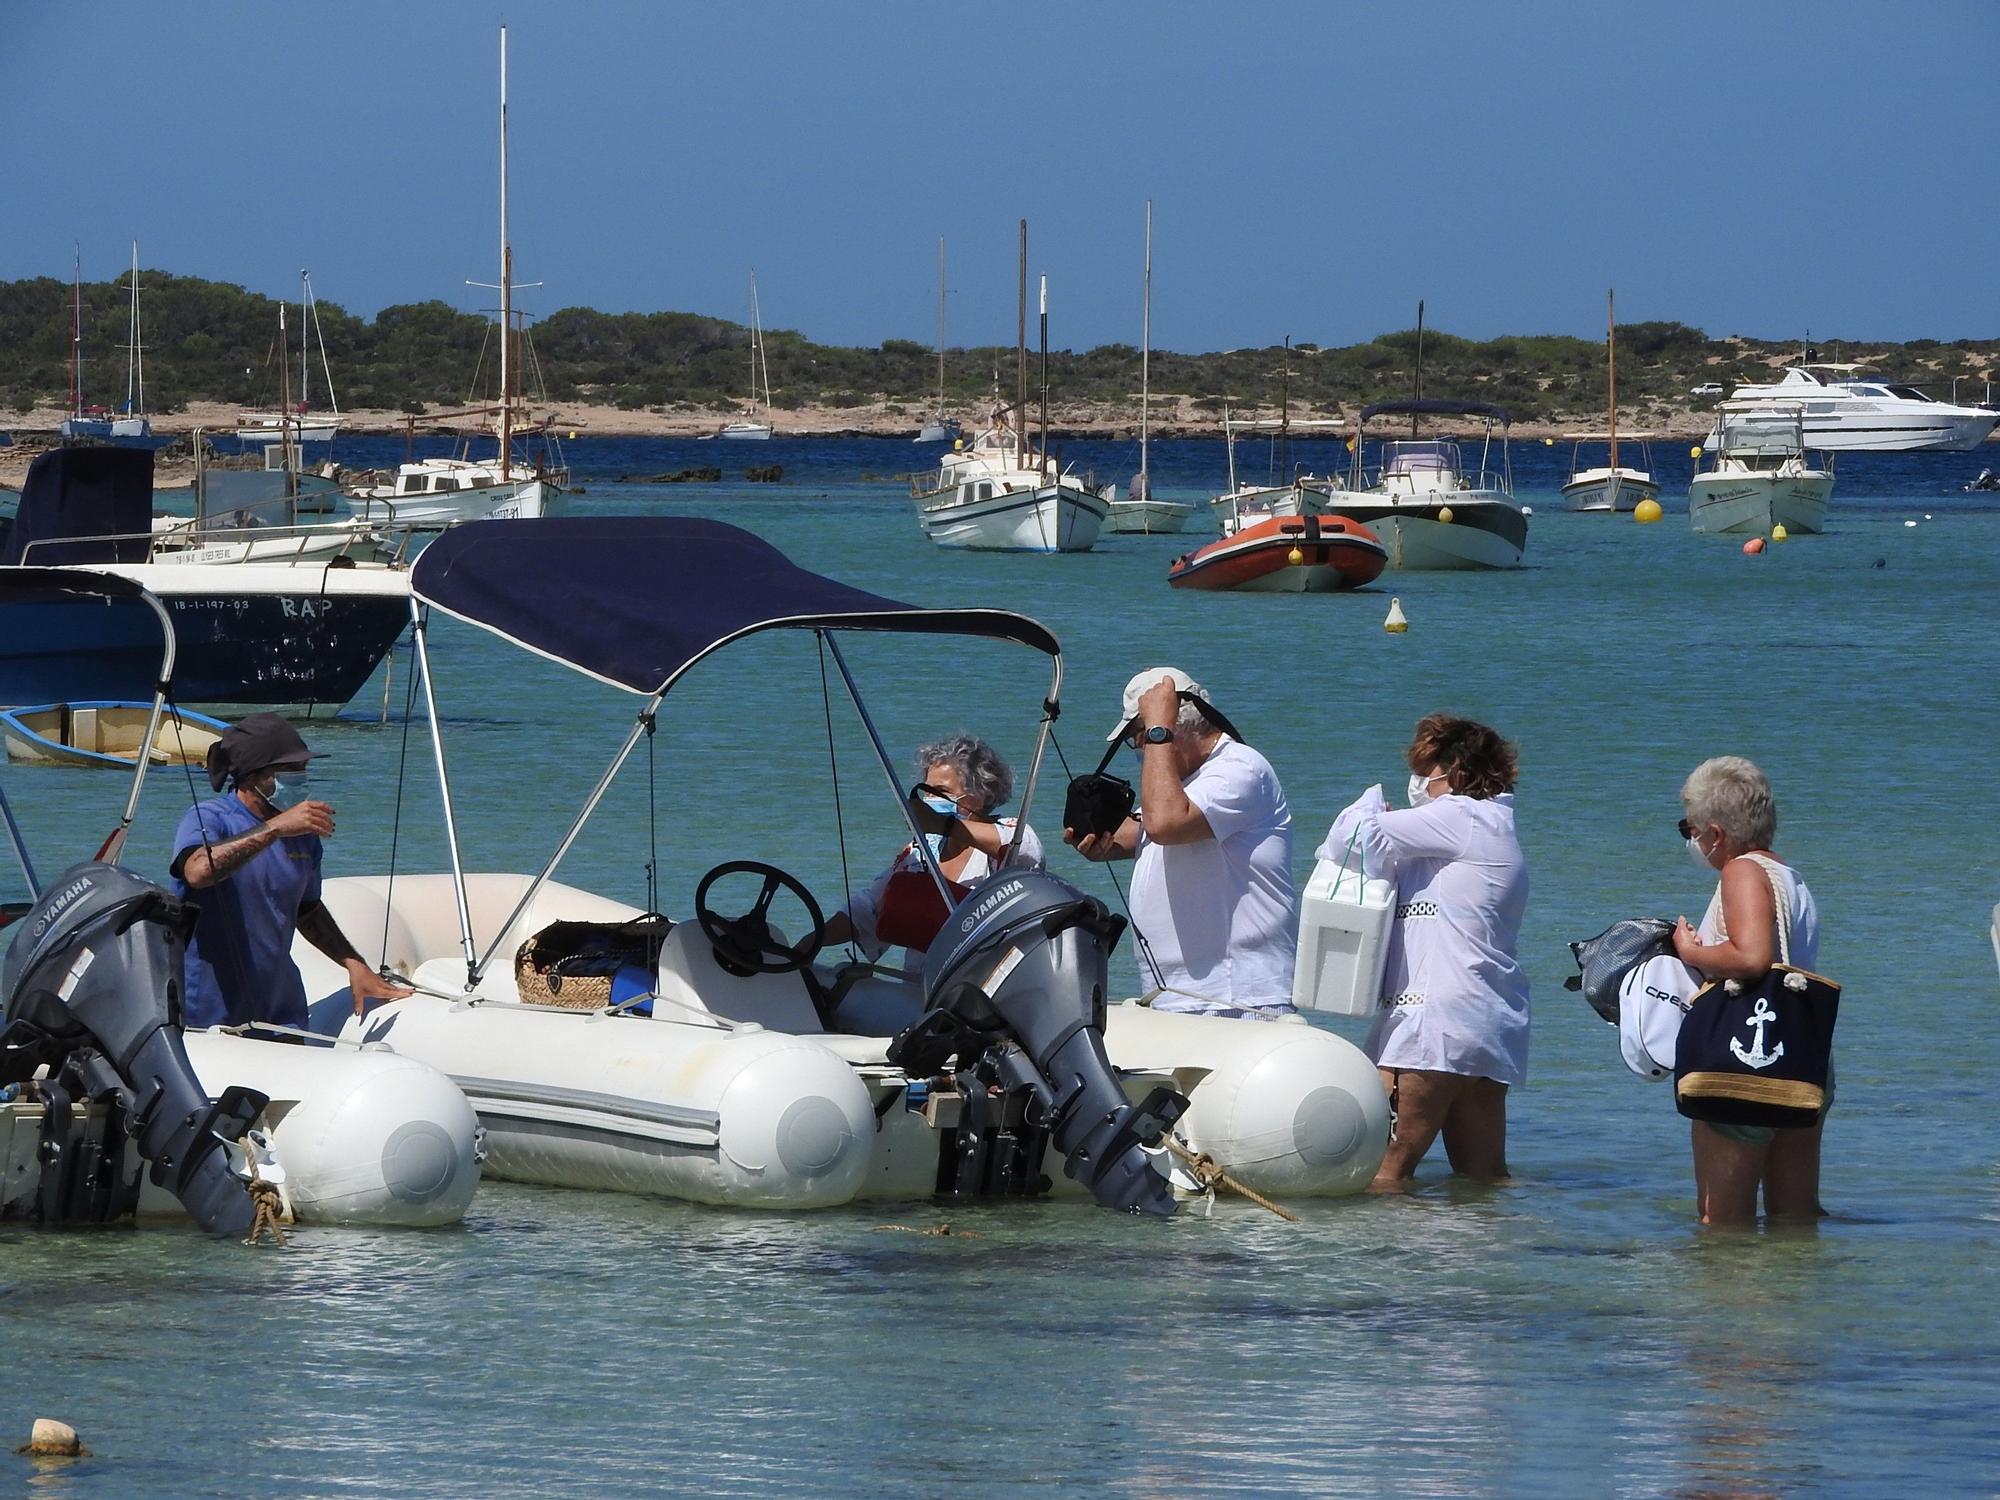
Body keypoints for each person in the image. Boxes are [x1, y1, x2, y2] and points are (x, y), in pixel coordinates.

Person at [1320, 713, 1528, 1185]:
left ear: (1452, 771)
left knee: (1380, 1173)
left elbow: (1350, 839)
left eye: (1424, 771)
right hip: (1487, 1026)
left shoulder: (1460, 815)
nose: (1418, 783)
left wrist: (1372, 805)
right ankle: (1483, 1257)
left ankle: (1394, 1258)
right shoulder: (1496, 825)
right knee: (1484, 1179)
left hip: (1432, 1028)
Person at [1065, 668, 1295, 1016]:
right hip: (1179, 995)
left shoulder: (1241, 770)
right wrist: (1101, 841)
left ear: (1177, 724)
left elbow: (1164, 824)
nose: (1140, 748)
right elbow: (1141, 833)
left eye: (1138, 735)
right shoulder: (1181, 784)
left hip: (1236, 995)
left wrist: (1159, 730)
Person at [171, 713, 410, 1031]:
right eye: (289, 770)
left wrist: (354, 964)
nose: (301, 777)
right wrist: (275, 829)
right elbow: (197, 872)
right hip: (209, 1015)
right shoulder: (211, 817)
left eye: (303, 769)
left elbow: (307, 910)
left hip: (282, 1011)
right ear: (252, 776)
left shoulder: (303, 833)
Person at [1671, 755, 1825, 1226]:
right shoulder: (1789, 878)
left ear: (1715, 833)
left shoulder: (1740, 872)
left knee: (1722, 1224)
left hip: (1742, 1072)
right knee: (1794, 1220)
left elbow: (1754, 958)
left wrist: (1689, 951)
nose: (1691, 841)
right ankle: (1787, 1296)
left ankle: (1728, 1299)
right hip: (1802, 1056)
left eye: (1689, 829)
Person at [822, 734, 1043, 959]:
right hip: (922, 985)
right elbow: (868, 909)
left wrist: (943, 825)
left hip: (981, 982)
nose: (929, 799)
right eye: (926, 791)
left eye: (941, 791)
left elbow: (1025, 850)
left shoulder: (1008, 833)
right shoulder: (919, 852)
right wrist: (813, 941)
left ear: (978, 796)